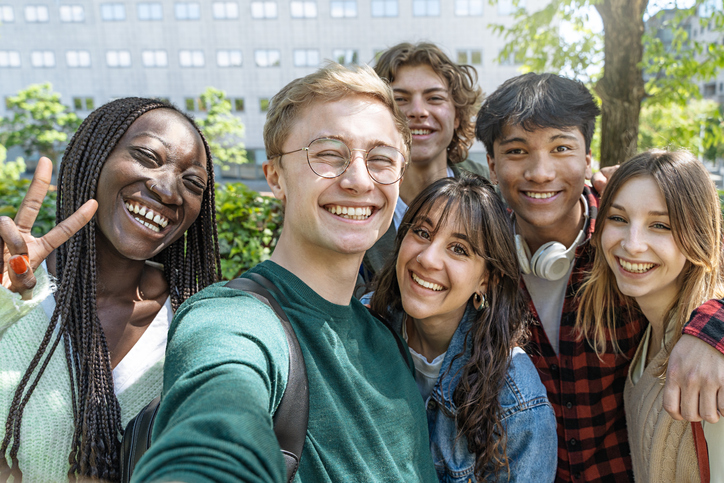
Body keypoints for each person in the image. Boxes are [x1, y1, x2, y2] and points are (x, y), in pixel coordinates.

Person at [132, 64, 438, 482]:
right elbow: (214, 419)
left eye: (382, 160)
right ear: (276, 178)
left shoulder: (387, 335)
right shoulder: (235, 319)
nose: (359, 180)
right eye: (329, 154)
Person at [475, 73, 724, 482]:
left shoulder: (626, 244)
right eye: (517, 151)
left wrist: (712, 332)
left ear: (587, 158)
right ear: (492, 164)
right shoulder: (479, 253)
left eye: (561, 148)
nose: (540, 172)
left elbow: (703, 261)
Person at [0, 97, 221, 482]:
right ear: (94, 159)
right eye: (148, 157)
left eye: (193, 183)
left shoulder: (197, 326)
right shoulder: (15, 297)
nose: (169, 190)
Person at [366, 175, 557, 482]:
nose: (427, 259)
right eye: (423, 232)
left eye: (458, 249)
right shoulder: (358, 330)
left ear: (487, 279)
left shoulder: (517, 404)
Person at [577, 149, 724, 481]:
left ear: (699, 235)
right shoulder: (647, 332)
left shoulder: (710, 367)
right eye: (618, 218)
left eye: (660, 224)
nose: (632, 244)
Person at [362, 42, 489, 281]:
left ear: (458, 117)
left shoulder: (493, 190)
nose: (418, 111)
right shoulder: (355, 195)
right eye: (400, 99)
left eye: (434, 98)